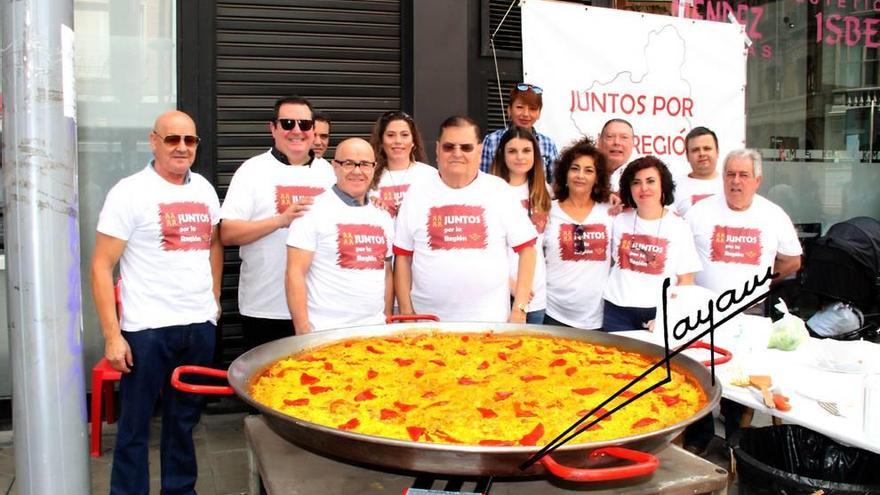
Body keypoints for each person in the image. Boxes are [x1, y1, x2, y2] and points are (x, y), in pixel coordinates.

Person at [91, 110, 223, 494]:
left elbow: (214, 242)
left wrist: (213, 298)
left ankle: (180, 490)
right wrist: (112, 335)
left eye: (189, 140)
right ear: (154, 141)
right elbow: (101, 266)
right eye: (172, 139)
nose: (181, 147)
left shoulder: (203, 190)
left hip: (198, 326)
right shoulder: (129, 192)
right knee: (135, 425)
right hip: (147, 329)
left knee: (184, 421)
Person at [683, 149, 802, 454]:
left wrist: (764, 282)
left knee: (740, 377)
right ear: (723, 178)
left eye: (743, 175)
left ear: (757, 180)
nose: (736, 182)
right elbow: (679, 254)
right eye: (730, 174)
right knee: (698, 372)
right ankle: (699, 436)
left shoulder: (773, 214)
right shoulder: (699, 212)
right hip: (702, 310)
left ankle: (737, 439)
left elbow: (792, 261)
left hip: (749, 311)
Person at [394, 116, 538, 322]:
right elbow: (402, 257)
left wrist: (520, 309)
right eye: (449, 147)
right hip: (428, 324)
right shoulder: (416, 193)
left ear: (479, 150)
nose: (457, 154)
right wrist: (407, 313)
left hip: (490, 323)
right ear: (437, 149)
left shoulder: (499, 191)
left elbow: (528, 251)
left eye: (466, 147)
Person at [220, 96, 335, 350]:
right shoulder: (252, 171)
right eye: (287, 123)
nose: (296, 130)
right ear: (272, 128)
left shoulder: (328, 173)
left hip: (318, 309)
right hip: (264, 307)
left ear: (314, 130)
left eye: (304, 124)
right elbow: (226, 233)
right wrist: (280, 220)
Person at [286, 138, 393, 333]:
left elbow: (386, 273)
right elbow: (295, 273)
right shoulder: (311, 211)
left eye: (365, 164)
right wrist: (303, 333)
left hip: (374, 332)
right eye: (349, 163)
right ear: (334, 166)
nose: (357, 171)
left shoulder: (383, 216)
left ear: (374, 168)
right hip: (325, 333)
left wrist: (385, 319)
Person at [602, 156, 702, 332]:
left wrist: (669, 317)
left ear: (663, 185)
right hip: (617, 310)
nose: (644, 188)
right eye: (636, 182)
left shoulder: (679, 226)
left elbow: (686, 281)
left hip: (658, 312)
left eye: (650, 181)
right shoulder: (618, 220)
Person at [543, 138, 614, 330]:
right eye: (575, 168)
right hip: (552, 313)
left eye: (588, 170)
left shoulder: (610, 212)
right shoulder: (548, 211)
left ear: (597, 177)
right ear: (565, 173)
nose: (580, 175)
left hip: (597, 318)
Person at [489, 126, 551, 324]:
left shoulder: (545, 191)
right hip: (499, 292)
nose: (520, 157)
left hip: (536, 295)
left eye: (526, 150)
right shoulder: (490, 192)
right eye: (512, 151)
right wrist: (509, 284)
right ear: (502, 154)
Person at [479, 83, 559, 182]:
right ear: (509, 110)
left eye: (532, 109)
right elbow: (482, 179)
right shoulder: (492, 140)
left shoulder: (548, 144)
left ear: (539, 113)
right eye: (520, 107)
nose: (525, 114)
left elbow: (556, 183)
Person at [368, 110, 437, 218]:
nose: (398, 141)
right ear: (381, 141)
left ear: (413, 141)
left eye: (404, 135)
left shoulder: (430, 175)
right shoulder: (368, 175)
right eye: (391, 135)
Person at [671, 126, 723, 216]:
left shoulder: (731, 183)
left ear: (717, 152)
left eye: (707, 148)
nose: (702, 154)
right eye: (695, 150)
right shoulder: (673, 187)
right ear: (687, 156)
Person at [597, 118, 635, 193]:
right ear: (599, 141)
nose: (617, 142)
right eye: (610, 136)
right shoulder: (587, 173)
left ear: (633, 143)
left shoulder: (640, 174)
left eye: (624, 137)